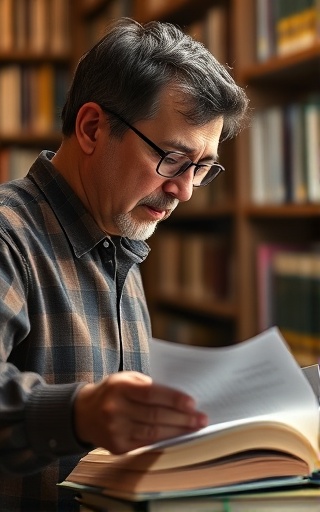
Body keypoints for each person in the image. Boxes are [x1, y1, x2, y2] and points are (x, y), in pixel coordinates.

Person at [0, 17, 249, 511]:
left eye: (201, 168)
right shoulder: (8, 235)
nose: (184, 190)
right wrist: (76, 415)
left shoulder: (121, 240)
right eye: (173, 158)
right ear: (93, 127)